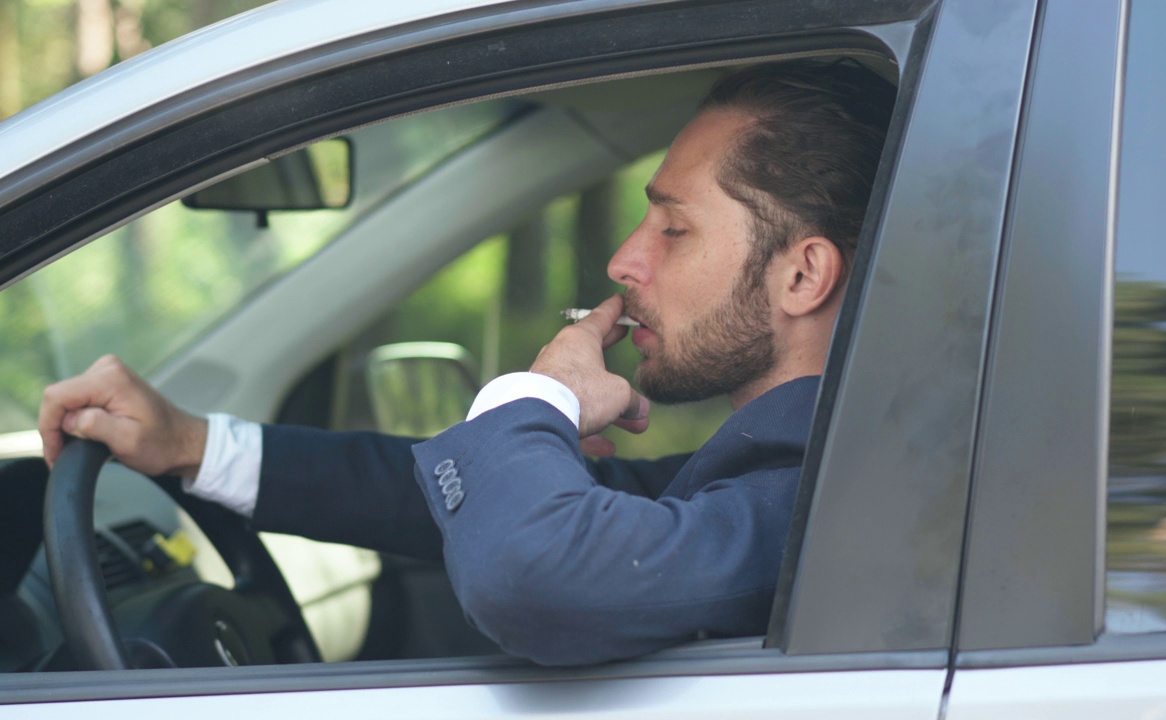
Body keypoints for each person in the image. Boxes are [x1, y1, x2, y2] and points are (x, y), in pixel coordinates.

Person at [38, 60, 895, 666]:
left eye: (674, 229)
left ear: (802, 274)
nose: (624, 262)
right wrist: (195, 445)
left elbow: (531, 569)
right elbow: (450, 496)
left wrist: (541, 398)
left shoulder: (821, 505)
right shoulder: (774, 473)